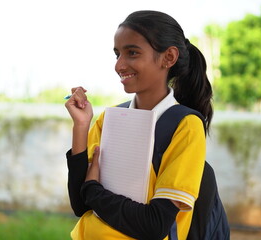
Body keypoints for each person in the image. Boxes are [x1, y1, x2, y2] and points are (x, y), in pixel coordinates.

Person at [65, 10, 213, 240]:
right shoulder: (111, 117)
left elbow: (153, 225)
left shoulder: (186, 125)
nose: (119, 65)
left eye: (132, 53)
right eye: (117, 55)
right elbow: (79, 205)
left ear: (169, 57)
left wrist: (93, 190)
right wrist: (81, 127)